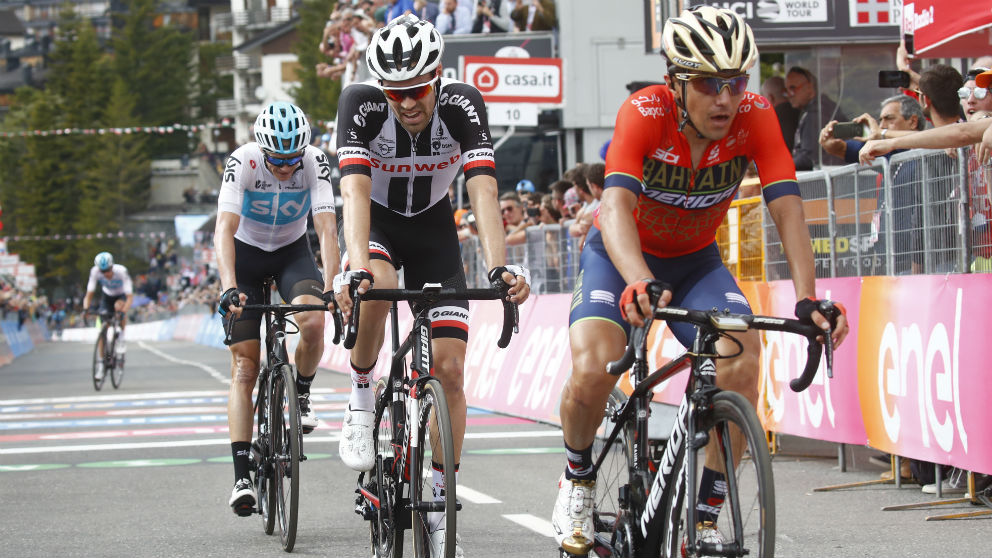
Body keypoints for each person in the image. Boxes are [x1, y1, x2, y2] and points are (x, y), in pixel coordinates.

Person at [551, 7, 849, 555]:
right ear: (675, 83)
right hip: (621, 256)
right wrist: (638, 280)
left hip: (695, 262)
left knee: (741, 360)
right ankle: (577, 478)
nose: (725, 99)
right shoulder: (643, 112)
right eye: (709, 84)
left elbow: (787, 208)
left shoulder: (756, 116)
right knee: (594, 366)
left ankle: (706, 519)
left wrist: (808, 298)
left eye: (735, 83)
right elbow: (615, 207)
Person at [333, 14, 531, 556]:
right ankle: (359, 392)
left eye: (418, 89)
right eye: (396, 92)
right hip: (376, 221)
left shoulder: (463, 104)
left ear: (438, 75)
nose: (407, 102)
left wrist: (500, 268)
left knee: (449, 369)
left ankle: (442, 507)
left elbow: (484, 193)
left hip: (434, 229)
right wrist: (352, 265)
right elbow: (352, 192)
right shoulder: (362, 103)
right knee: (376, 281)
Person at [214, 101, 339, 516]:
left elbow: (325, 227)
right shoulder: (243, 161)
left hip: (291, 254)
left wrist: (334, 283)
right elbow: (224, 229)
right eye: (277, 160)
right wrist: (230, 286)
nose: (286, 167)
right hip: (246, 259)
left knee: (313, 320)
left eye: (292, 158)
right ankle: (241, 475)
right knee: (245, 368)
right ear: (262, 149)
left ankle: (300, 392)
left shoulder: (314, 160)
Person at [82, 251, 134, 381]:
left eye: (109, 270)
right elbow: (89, 294)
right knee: (102, 332)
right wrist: (85, 309)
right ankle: (102, 363)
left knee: (118, 307)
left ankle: (121, 337)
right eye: (103, 271)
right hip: (107, 296)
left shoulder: (122, 271)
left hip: (121, 295)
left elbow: (130, 297)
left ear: (112, 266)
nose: (106, 274)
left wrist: (123, 312)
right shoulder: (94, 272)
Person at [785, 66, 846, 169]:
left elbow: (810, 157)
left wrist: (782, 167)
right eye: (786, 90)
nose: (789, 95)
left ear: (809, 87)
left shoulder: (817, 114)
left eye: (792, 89)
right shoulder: (816, 109)